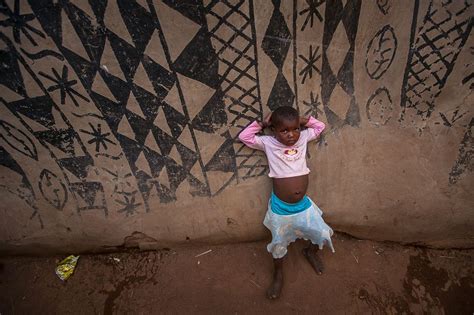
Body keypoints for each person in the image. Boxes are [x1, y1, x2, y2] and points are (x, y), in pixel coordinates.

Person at [238, 106, 335, 299]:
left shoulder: (303, 138)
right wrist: (263, 123)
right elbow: (245, 137)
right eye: (284, 130)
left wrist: (304, 121)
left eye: (295, 129)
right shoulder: (268, 143)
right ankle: (278, 274)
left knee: (321, 232)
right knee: (279, 243)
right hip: (281, 208)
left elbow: (319, 127)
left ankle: (310, 252)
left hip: (303, 205)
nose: (291, 135)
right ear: (274, 130)